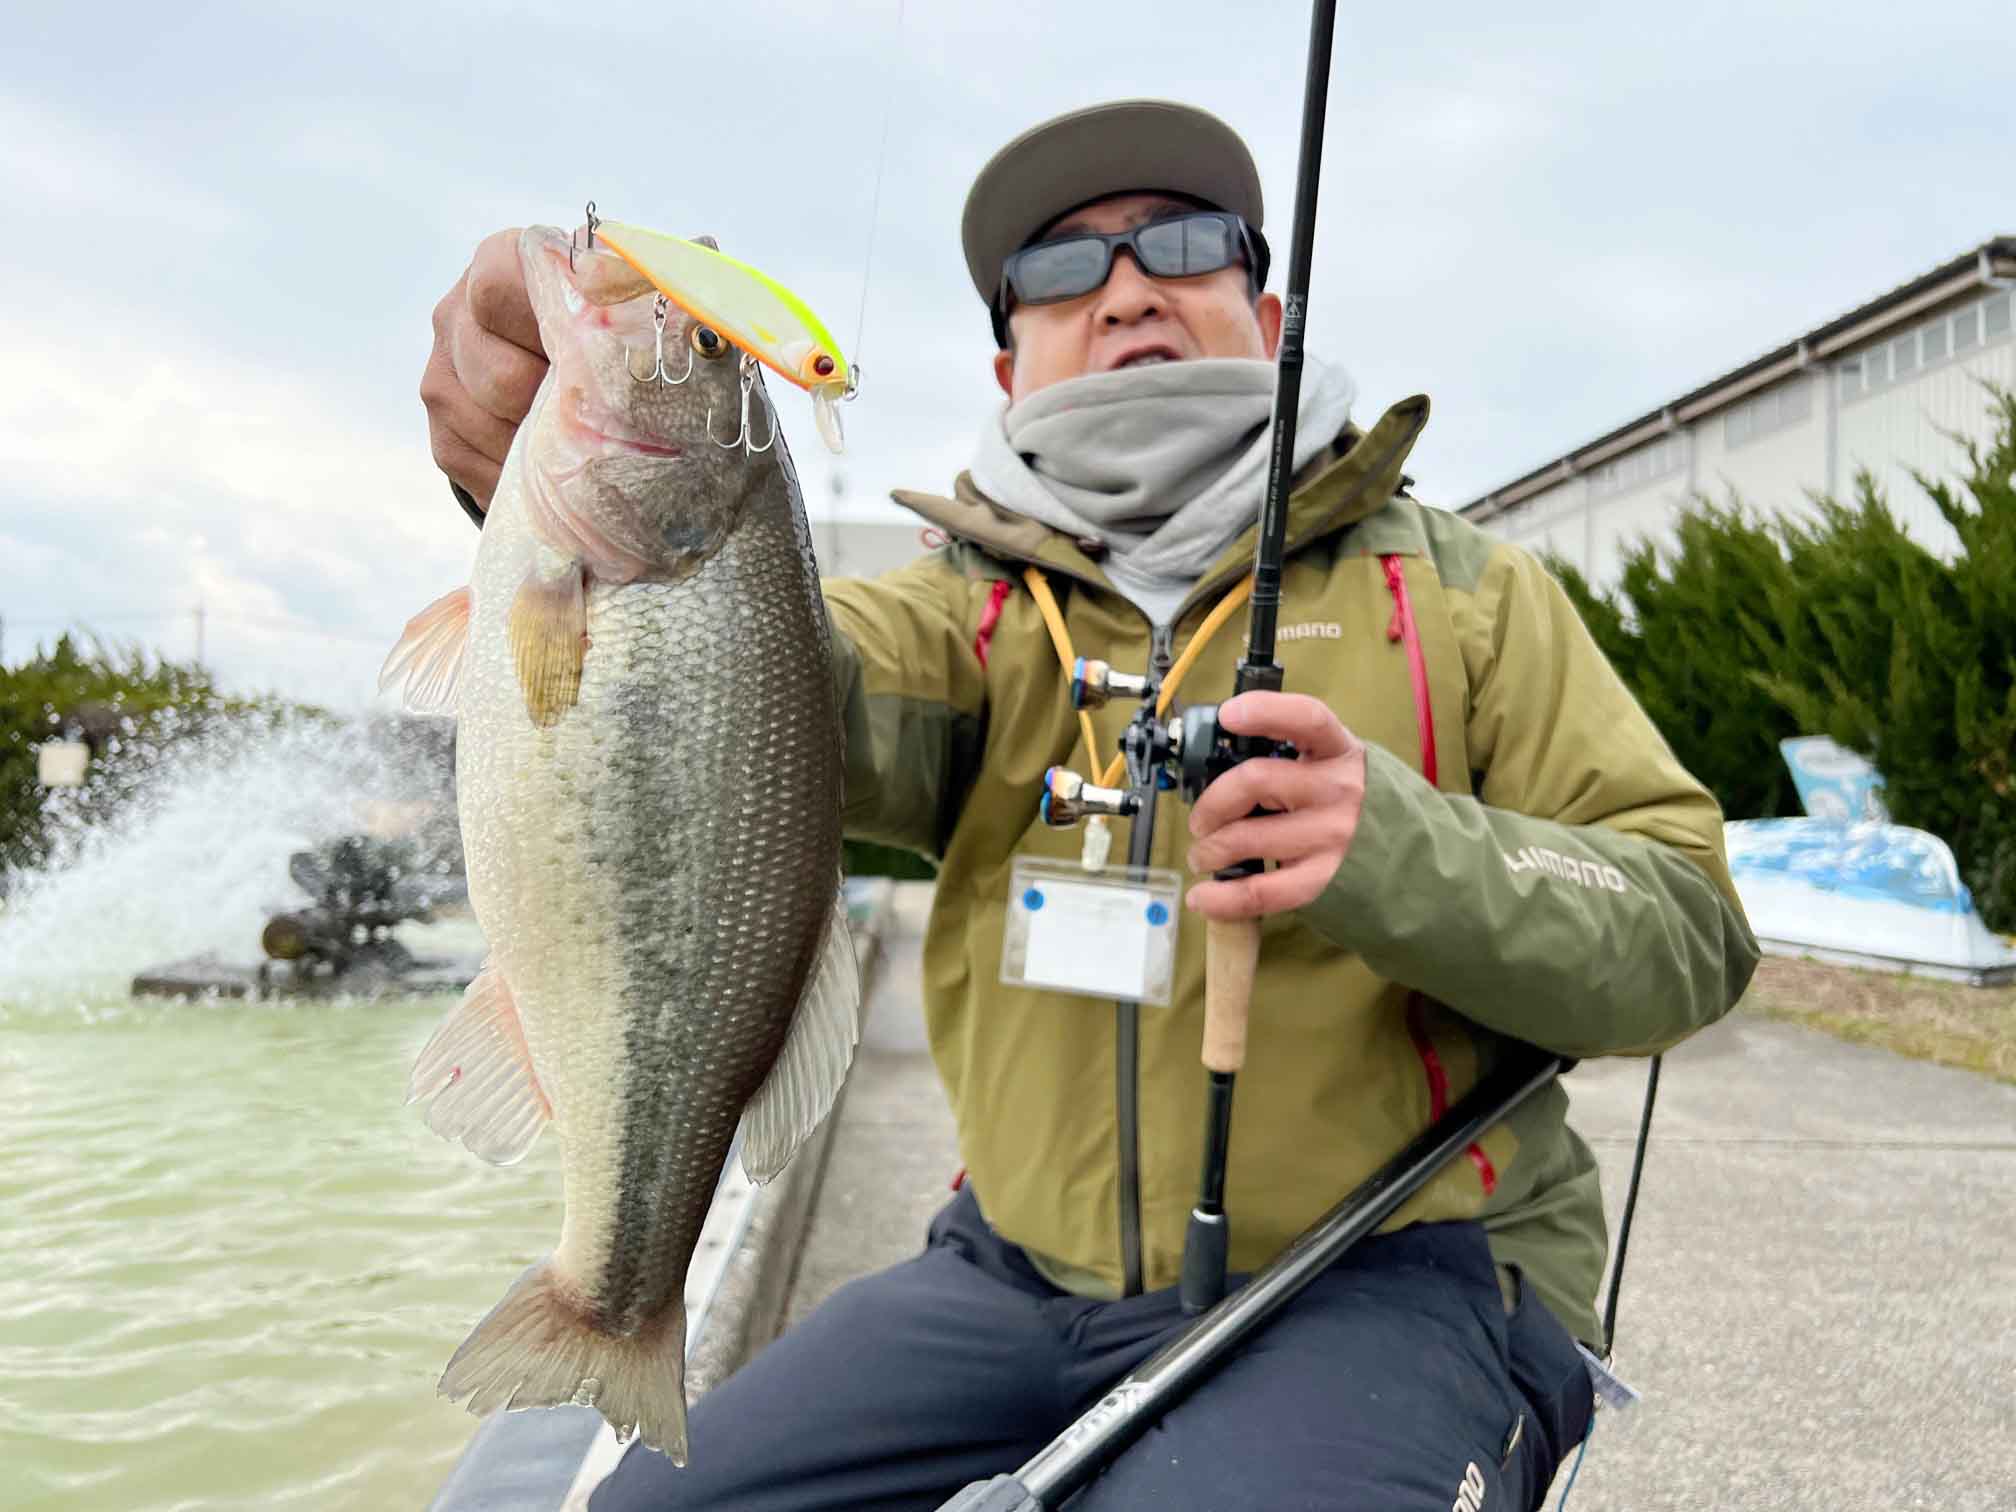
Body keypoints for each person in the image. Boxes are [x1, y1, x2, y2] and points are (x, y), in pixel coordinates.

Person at [421, 99, 1759, 1511]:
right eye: (1060, 269)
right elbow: (751, 696)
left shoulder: (1466, 595)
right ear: (1009, 366)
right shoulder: (957, 615)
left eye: (1180, 244)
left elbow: (1691, 930)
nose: (1124, 290)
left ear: (1269, 314)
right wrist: (518, 464)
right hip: (1009, 1274)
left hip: (1396, 1268)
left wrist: (1396, 850)